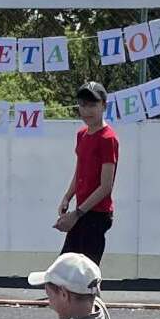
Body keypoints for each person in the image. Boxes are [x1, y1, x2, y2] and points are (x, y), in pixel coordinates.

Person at [53, 81, 119, 263]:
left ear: (104, 105)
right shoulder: (82, 135)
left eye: (92, 105)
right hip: (82, 212)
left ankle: (91, 291)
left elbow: (105, 186)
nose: (87, 111)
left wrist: (77, 214)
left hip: (97, 214)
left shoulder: (108, 138)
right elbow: (80, 170)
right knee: (66, 267)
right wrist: (67, 196)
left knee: (85, 271)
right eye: (83, 105)